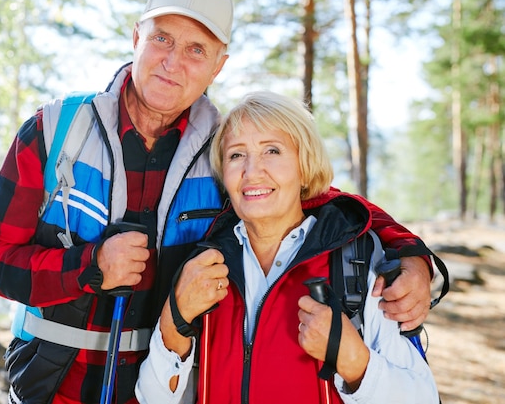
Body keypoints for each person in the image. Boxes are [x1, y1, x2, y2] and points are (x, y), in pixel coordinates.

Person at [0, 0, 436, 403]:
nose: (173, 62)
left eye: (196, 49)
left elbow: (314, 200)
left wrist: (409, 250)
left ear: (218, 65)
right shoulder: (56, 130)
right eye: (162, 38)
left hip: (165, 390)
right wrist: (88, 267)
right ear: (136, 37)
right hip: (50, 389)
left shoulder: (227, 151)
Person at [135, 91, 440, 404]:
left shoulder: (359, 262)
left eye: (272, 150)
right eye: (236, 155)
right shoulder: (205, 265)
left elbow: (423, 398)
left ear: (303, 166)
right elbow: (153, 398)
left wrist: (353, 360)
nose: (252, 172)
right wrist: (176, 316)